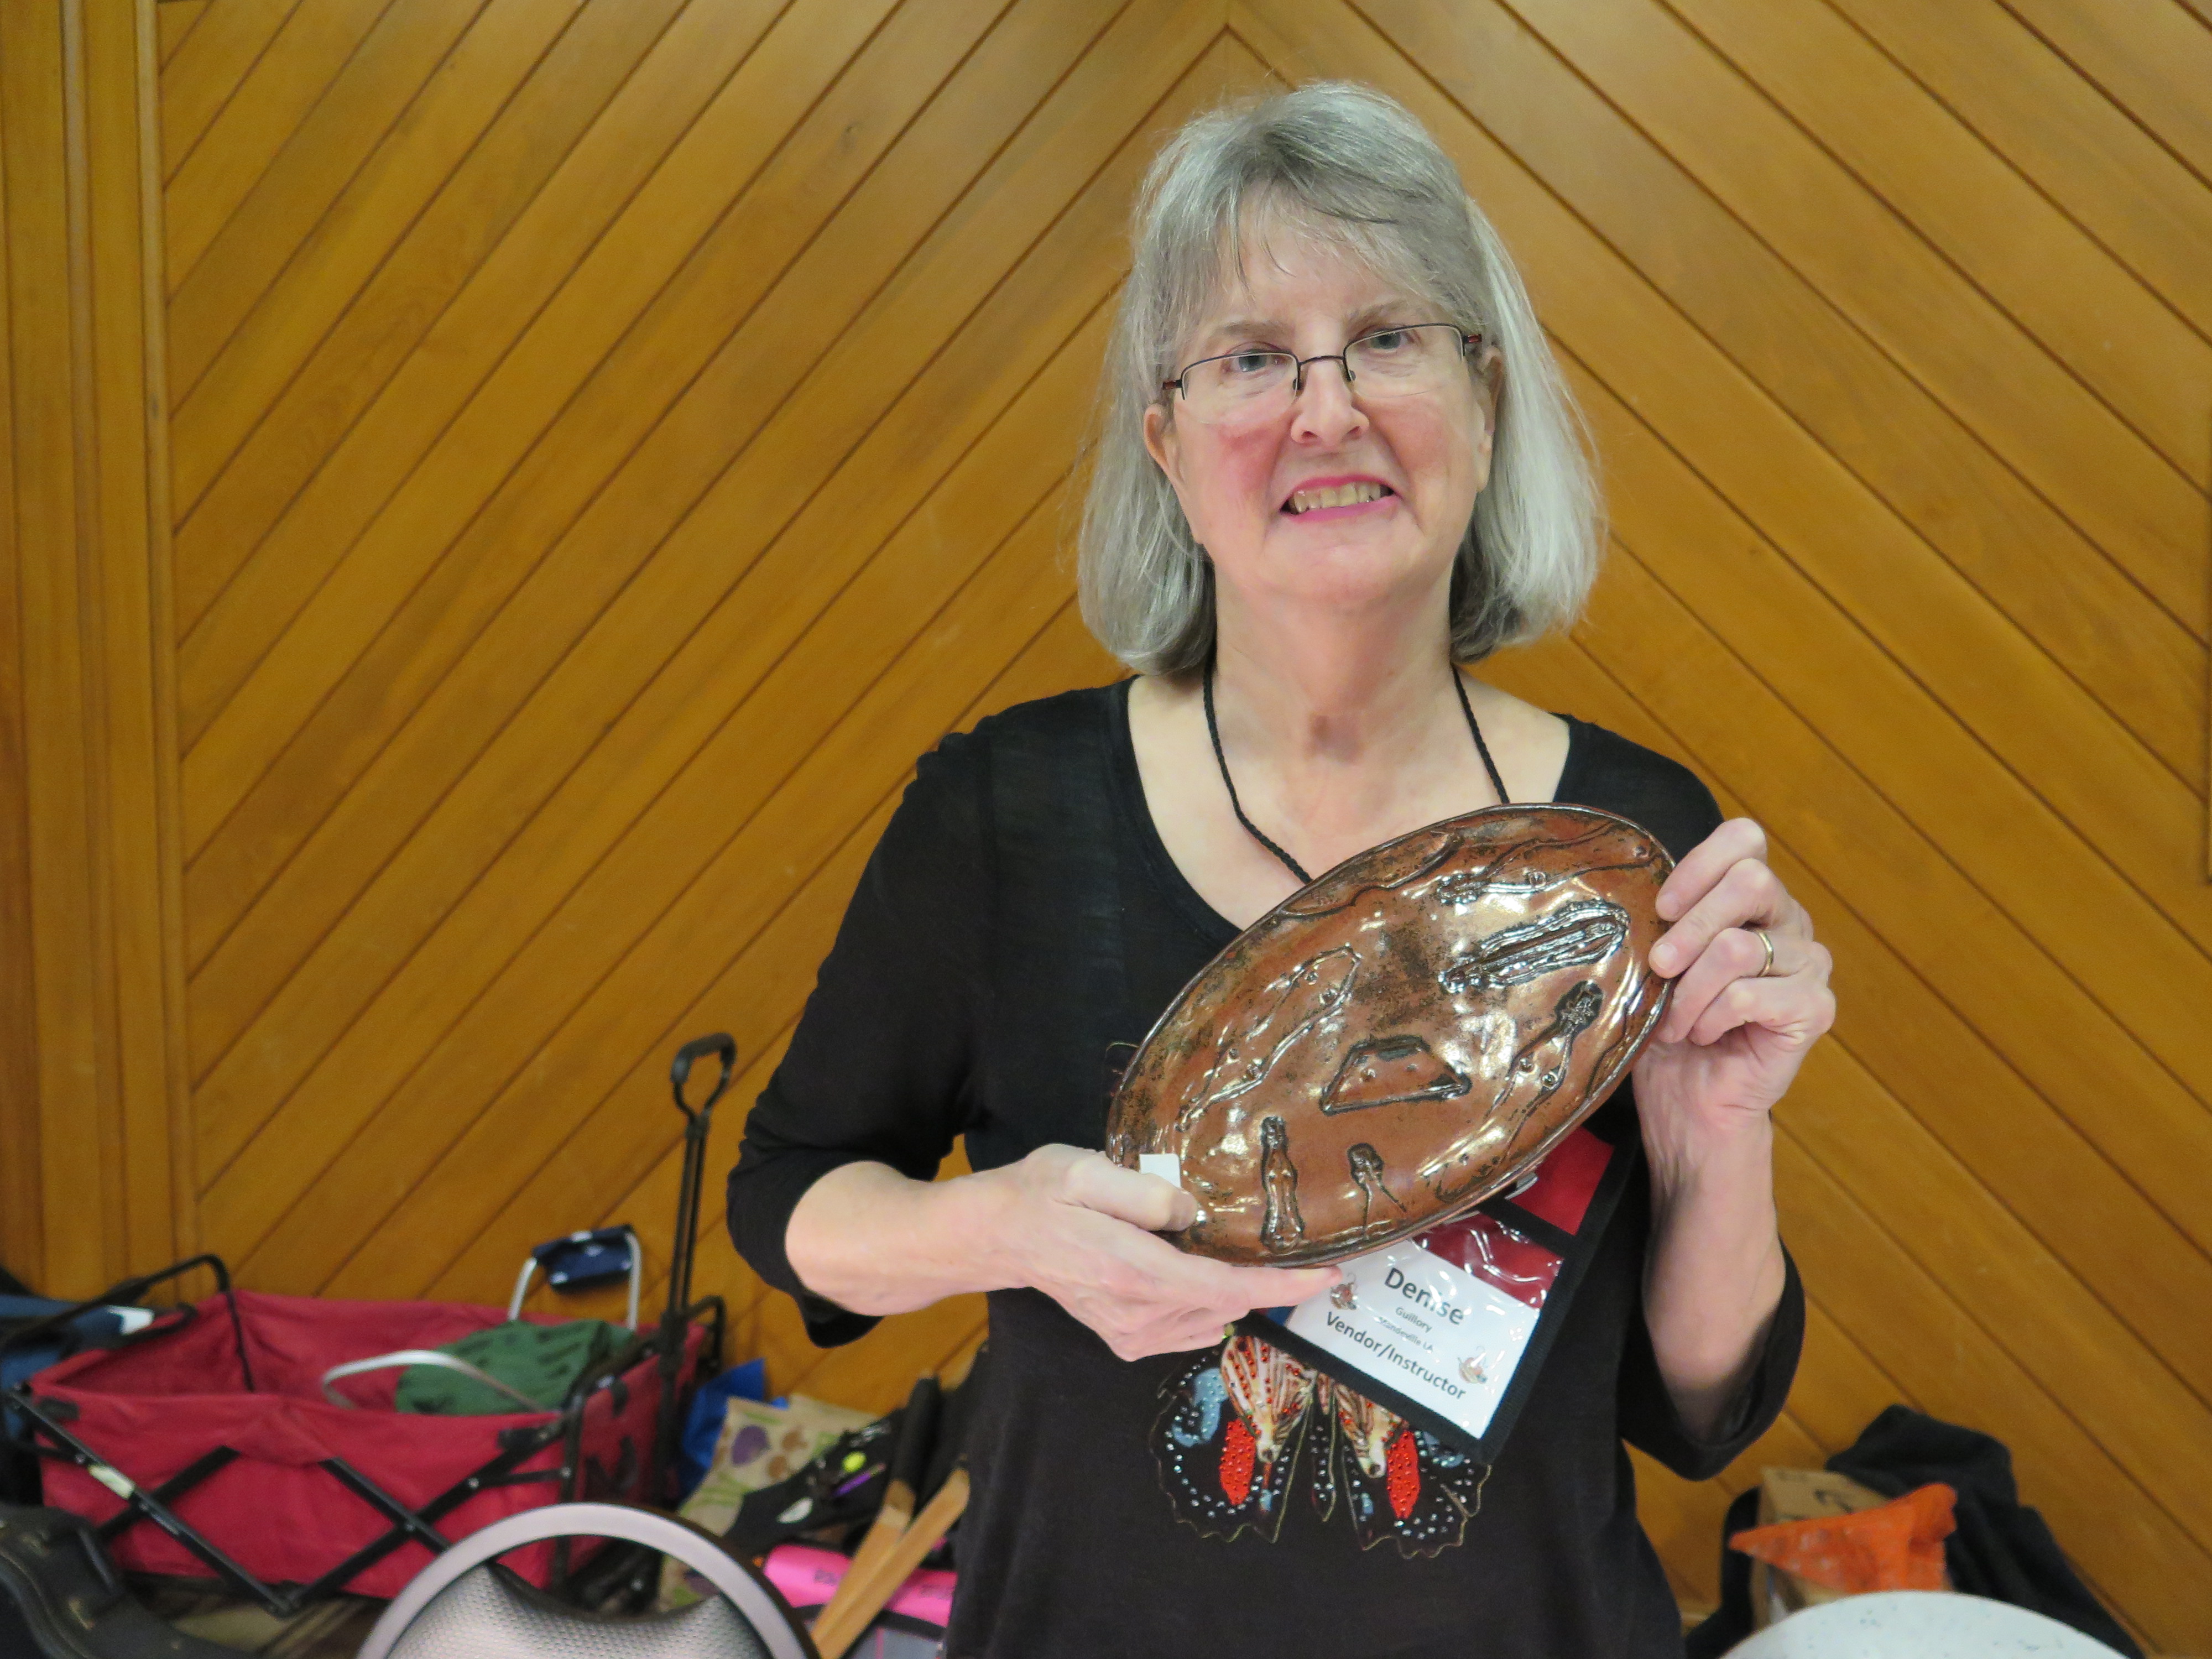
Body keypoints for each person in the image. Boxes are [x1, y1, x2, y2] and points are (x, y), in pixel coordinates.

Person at [728, 81, 1834, 1658]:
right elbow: (788, 1196)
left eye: (1387, 337)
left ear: (1485, 402)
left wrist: (1720, 1135)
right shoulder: (1007, 812)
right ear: (1169, 447)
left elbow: (1701, 1409)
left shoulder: (1620, 849)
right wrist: (1004, 1229)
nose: (1327, 410)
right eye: (1252, 357)